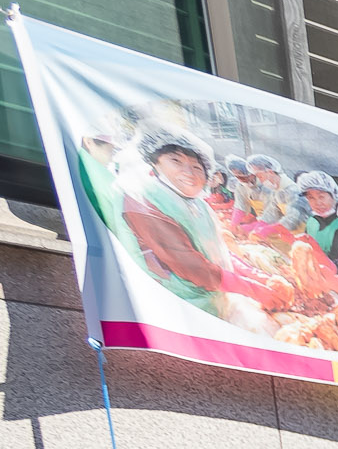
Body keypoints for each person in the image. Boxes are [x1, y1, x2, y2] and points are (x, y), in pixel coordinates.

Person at [118, 129, 289, 315]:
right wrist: (253, 289)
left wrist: (254, 275)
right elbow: (188, 264)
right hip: (180, 305)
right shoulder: (144, 200)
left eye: (197, 167)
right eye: (176, 161)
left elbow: (214, 250)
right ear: (154, 162)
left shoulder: (197, 204)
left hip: (211, 298)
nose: (188, 172)